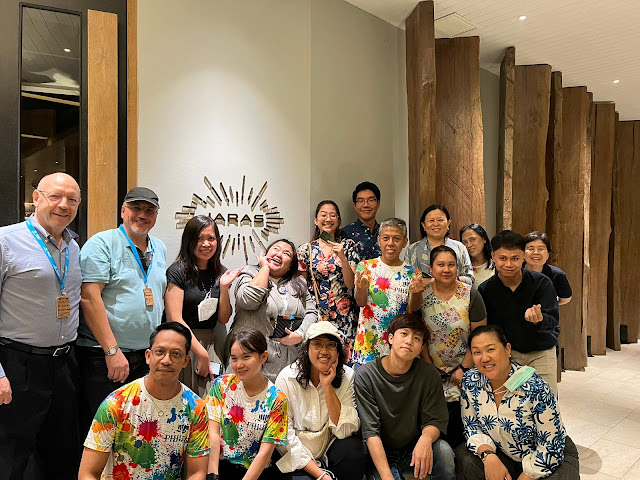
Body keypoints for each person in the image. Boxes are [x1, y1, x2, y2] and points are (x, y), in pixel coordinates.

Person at [0, 173, 83, 479]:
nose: (64, 205)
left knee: (61, 455)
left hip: (63, 365)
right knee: (11, 457)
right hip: (17, 364)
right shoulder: (6, 241)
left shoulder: (73, 247)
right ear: (36, 198)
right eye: (55, 196)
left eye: (72, 200)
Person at [77, 187, 168, 431]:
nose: (142, 215)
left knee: (138, 429)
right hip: (105, 357)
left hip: (144, 357)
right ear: (123, 211)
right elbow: (89, 298)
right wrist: (112, 350)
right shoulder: (102, 243)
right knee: (104, 431)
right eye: (136, 208)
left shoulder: (159, 248)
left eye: (150, 210)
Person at [79, 322, 210, 480]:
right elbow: (87, 473)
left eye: (176, 354)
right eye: (160, 352)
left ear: (185, 361)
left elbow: (197, 473)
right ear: (148, 356)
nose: (166, 360)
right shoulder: (116, 403)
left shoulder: (196, 408)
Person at [456, 324, 579, 480]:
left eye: (491, 349)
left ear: (507, 349)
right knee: (465, 457)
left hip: (550, 456)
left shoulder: (536, 387)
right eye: (477, 352)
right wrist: (488, 455)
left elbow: (551, 446)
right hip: (508, 454)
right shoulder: (470, 381)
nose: (484, 358)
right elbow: (471, 426)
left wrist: (527, 476)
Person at [355, 313, 455, 480]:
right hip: (380, 450)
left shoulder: (428, 374)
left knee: (444, 451)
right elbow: (371, 432)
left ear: (421, 347)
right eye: (404, 333)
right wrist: (387, 476)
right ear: (390, 338)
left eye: (416, 338)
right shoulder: (366, 375)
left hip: (414, 447)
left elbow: (435, 419)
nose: (409, 341)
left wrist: (425, 439)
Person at [411, 245, 486, 448]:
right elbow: (418, 333)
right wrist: (429, 367)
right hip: (430, 370)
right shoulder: (422, 293)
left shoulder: (470, 294)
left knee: (461, 428)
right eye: (440, 265)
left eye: (451, 265)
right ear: (431, 268)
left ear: (458, 267)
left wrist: (464, 368)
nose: (446, 269)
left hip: (464, 370)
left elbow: (479, 337)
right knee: (433, 424)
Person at [275, 321, 366, 480]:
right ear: (306, 348)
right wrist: (322, 476)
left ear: (338, 351)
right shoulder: (286, 378)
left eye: (331, 345)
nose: (324, 351)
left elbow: (344, 431)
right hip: (296, 453)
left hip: (329, 448)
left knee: (354, 449)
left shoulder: (347, 376)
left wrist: (327, 386)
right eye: (317, 344)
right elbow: (285, 437)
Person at [164, 215, 241, 397]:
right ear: (189, 241)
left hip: (210, 343)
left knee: (212, 399)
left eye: (211, 238)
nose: (206, 244)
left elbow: (223, 319)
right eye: (199, 238)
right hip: (182, 343)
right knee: (183, 400)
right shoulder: (177, 272)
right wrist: (201, 354)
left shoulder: (221, 272)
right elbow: (175, 319)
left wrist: (224, 287)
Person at [478, 230, 560, 393]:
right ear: (493, 256)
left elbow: (553, 321)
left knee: (545, 400)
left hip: (541, 353)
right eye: (503, 258)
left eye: (515, 258)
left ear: (523, 257)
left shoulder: (542, 283)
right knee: (509, 402)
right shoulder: (485, 289)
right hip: (507, 355)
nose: (509, 264)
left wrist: (539, 319)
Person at [225, 239, 318, 382]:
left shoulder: (299, 283)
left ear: (290, 265)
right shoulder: (249, 273)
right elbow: (248, 301)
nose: (279, 254)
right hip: (249, 358)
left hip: (287, 362)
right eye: (276, 249)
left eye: (286, 253)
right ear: (266, 253)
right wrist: (265, 269)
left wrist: (300, 334)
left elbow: (312, 313)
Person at [207, 329, 289, 480]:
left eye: (246, 357)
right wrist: (212, 474)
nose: (239, 365)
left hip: (256, 472)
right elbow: (213, 432)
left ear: (263, 357)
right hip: (220, 468)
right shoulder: (221, 385)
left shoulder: (277, 400)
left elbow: (265, 452)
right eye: (234, 358)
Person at [352, 217, 421, 365]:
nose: (390, 243)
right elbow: (361, 302)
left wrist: (417, 292)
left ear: (405, 242)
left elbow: (414, 308)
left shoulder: (413, 273)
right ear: (379, 240)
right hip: (368, 346)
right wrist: (361, 288)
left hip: (399, 349)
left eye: (396, 239)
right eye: (386, 238)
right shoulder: (365, 267)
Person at [297, 201, 360, 359]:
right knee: (317, 360)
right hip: (316, 315)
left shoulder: (348, 246)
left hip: (344, 316)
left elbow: (350, 284)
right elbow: (301, 287)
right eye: (323, 215)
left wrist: (343, 258)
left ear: (338, 221)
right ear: (316, 220)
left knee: (342, 361)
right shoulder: (306, 249)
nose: (328, 219)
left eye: (333, 215)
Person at [405, 204, 474, 285]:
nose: (436, 224)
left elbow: (470, 278)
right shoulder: (412, 250)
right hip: (421, 293)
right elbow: (406, 279)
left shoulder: (460, 248)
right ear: (423, 225)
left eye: (440, 220)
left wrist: (453, 279)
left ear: (448, 223)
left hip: (454, 292)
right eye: (431, 220)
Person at [524, 231, 572, 305]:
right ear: (522, 254)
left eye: (541, 249)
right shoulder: (513, 272)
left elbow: (565, 299)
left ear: (548, 254)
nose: (536, 252)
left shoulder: (557, 275)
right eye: (531, 248)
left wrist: (547, 305)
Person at [342, 181, 382, 261]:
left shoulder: (385, 233)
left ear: (378, 204)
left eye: (371, 200)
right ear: (355, 206)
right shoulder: (345, 234)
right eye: (360, 201)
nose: (366, 205)